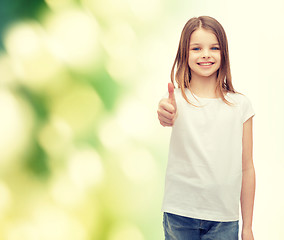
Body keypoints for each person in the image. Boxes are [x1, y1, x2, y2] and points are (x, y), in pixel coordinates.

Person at [157, 16, 255, 240]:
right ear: (185, 53)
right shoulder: (175, 100)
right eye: (196, 48)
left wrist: (247, 227)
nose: (205, 54)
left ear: (224, 53)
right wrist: (165, 113)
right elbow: (165, 115)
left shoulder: (240, 105)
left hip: (224, 219)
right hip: (179, 214)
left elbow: (247, 168)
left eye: (214, 47)